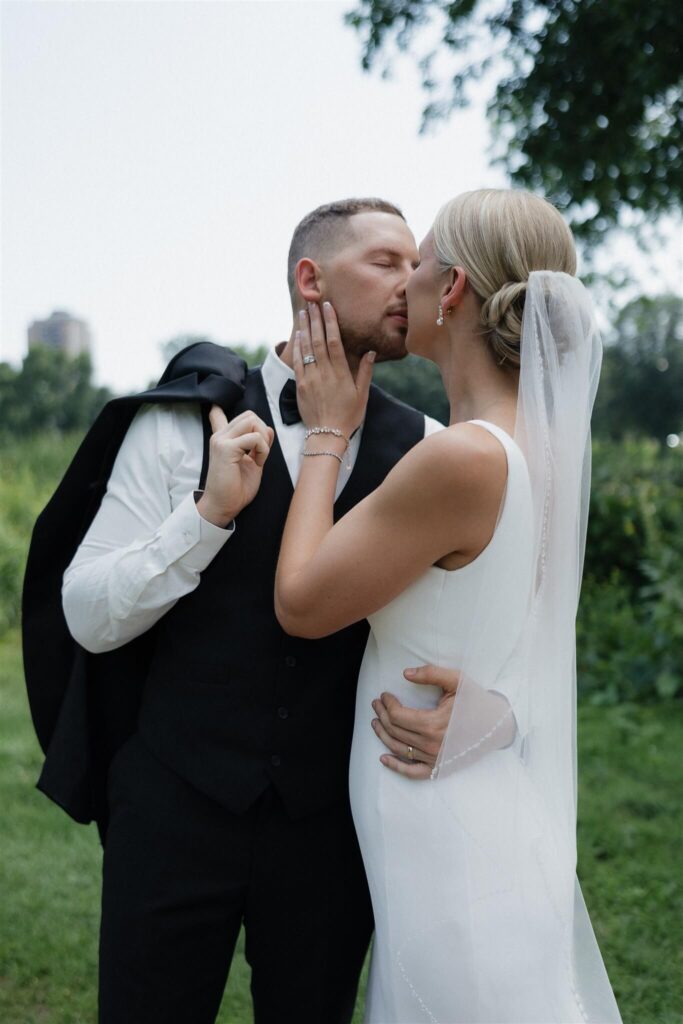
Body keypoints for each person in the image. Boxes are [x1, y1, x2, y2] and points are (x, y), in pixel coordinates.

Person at [57, 198, 460, 1024]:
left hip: (333, 828)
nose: (411, 281)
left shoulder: (426, 447)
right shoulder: (185, 417)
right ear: (309, 279)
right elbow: (88, 617)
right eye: (385, 261)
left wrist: (465, 692)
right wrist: (206, 515)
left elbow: (449, 628)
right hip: (172, 808)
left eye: (415, 264)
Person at [275, 189, 623, 1022]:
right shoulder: (533, 448)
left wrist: (325, 429)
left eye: (419, 263)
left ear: (455, 289)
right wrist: (499, 712)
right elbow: (529, 640)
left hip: (447, 833)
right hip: (472, 797)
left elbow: (301, 603)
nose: (405, 285)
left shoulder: (461, 458)